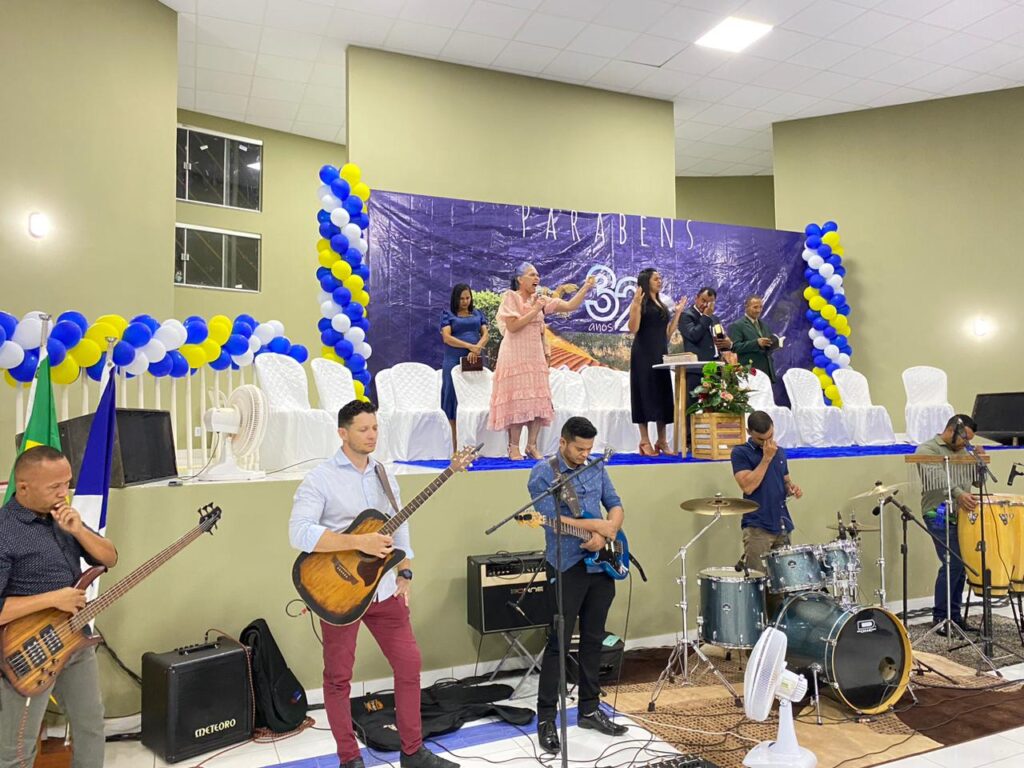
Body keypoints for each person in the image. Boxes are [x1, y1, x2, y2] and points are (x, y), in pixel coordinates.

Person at [289, 400, 456, 768]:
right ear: (342, 433)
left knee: (409, 666)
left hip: (383, 590)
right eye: (363, 429)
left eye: (375, 428)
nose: (372, 435)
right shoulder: (320, 478)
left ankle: (412, 752)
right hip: (338, 593)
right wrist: (357, 542)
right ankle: (349, 759)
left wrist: (405, 571)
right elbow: (298, 533)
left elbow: (400, 522)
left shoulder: (384, 474)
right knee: (338, 678)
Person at [0, 446, 118, 768]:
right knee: (18, 749)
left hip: (75, 640)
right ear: (24, 487)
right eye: (54, 486)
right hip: (27, 652)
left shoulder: (63, 516)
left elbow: (109, 558)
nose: (63, 493)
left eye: (67, 483)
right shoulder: (4, 531)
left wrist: (78, 530)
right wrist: (53, 599)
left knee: (90, 724)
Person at [528, 417, 628, 755]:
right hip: (566, 565)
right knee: (558, 643)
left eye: (589, 449)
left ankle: (589, 709)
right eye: (579, 449)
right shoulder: (544, 473)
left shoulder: (596, 466)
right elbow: (552, 520)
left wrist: (609, 530)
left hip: (601, 564)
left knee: (593, 638)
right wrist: (596, 526)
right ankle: (546, 718)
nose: (585, 454)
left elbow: (615, 503)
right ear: (563, 442)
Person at [488, 263, 595, 460]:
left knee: (537, 400)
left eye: (538, 275)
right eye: (532, 275)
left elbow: (570, 306)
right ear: (520, 279)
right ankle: (514, 446)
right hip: (514, 355)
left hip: (535, 356)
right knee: (517, 401)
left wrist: (586, 288)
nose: (537, 278)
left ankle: (531, 445)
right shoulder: (511, 297)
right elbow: (513, 327)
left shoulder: (541, 300)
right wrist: (535, 309)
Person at [915, 414, 983, 637]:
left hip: (962, 515)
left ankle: (955, 616)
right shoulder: (928, 449)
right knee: (951, 562)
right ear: (951, 430)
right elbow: (938, 479)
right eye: (965, 438)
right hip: (938, 513)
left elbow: (978, 482)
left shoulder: (965, 452)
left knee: (961, 566)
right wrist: (959, 494)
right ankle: (940, 616)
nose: (966, 443)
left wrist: (979, 462)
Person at [731, 411, 803, 573]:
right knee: (758, 579)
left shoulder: (780, 452)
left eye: (770, 437)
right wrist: (766, 458)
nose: (767, 443)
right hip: (758, 527)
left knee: (784, 578)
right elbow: (747, 486)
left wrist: (791, 489)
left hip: (782, 524)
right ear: (749, 432)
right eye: (761, 439)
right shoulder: (741, 452)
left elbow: (785, 481)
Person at [627, 268, 686, 455]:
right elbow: (633, 328)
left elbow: (667, 334)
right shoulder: (640, 302)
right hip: (643, 354)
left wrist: (677, 313)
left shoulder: (661, 304)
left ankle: (662, 440)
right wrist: (636, 305)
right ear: (646, 282)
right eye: (655, 279)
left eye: (660, 278)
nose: (659, 281)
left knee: (663, 395)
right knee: (643, 394)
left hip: (660, 354)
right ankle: (644, 440)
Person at [440, 283, 489, 452]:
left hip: (474, 360)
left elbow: (485, 334)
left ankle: (475, 443)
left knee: (474, 399)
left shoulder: (477, 313)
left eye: (468, 298)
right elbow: (447, 338)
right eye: (461, 299)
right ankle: (455, 446)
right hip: (453, 360)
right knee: (453, 399)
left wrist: (477, 348)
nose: (465, 301)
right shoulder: (448, 314)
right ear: (455, 299)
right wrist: (469, 346)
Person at [680, 287, 733, 411]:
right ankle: (688, 426)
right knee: (692, 407)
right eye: (703, 300)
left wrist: (728, 343)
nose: (705, 305)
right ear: (696, 298)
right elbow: (693, 335)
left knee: (716, 406)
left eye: (709, 303)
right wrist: (706, 316)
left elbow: (720, 337)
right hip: (696, 369)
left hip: (715, 367)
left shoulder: (715, 318)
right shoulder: (686, 315)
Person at [728, 296, 780, 382]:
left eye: (761, 307)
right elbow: (735, 347)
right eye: (755, 307)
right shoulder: (737, 325)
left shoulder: (765, 325)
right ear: (746, 307)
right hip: (750, 372)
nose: (758, 310)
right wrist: (756, 343)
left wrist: (774, 345)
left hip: (767, 371)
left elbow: (766, 347)